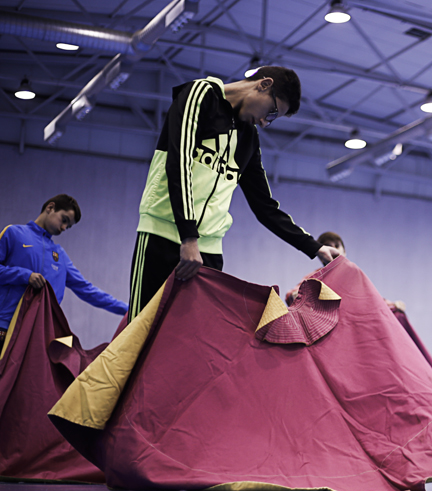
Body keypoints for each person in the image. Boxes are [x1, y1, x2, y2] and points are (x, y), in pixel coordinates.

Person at [128, 66, 341, 321]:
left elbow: (265, 207)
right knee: (140, 332)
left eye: (272, 119)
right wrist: (189, 236)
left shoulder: (248, 138)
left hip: (207, 254)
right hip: (162, 237)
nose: (265, 122)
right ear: (263, 85)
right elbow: (178, 162)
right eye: (271, 112)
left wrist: (315, 247)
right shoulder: (201, 94)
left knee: (194, 338)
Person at [0, 194, 127, 341]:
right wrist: (25, 276)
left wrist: (128, 309)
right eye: (64, 220)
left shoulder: (60, 256)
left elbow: (88, 290)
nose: (64, 228)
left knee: (71, 348)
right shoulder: (14, 233)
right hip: (6, 326)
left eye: (68, 226)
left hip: (38, 335)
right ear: (50, 208)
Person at [286, 232, 405, 312]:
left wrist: (394, 306)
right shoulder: (314, 278)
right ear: (321, 254)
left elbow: (372, 299)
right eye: (328, 246)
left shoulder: (354, 276)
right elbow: (291, 294)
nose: (333, 249)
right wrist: (296, 296)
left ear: (344, 251)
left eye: (336, 246)